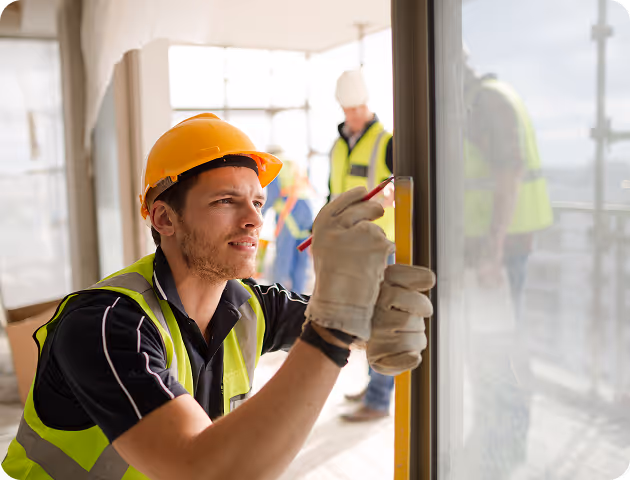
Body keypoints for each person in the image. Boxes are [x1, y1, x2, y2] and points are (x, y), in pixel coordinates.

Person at [1, 113, 435, 480]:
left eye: (258, 202)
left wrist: (376, 316)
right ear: (164, 218)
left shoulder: (250, 305)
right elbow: (201, 468)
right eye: (227, 201)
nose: (253, 220)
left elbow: (343, 322)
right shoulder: (104, 325)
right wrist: (335, 329)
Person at [460, 47, 553, 480]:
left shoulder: (487, 102)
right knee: (490, 347)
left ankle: (502, 446)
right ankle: (493, 437)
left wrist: (493, 252)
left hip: (499, 253)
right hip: (495, 249)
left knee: (497, 349)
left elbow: (508, 174)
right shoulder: (485, 98)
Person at [328, 70, 397, 422]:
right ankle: (373, 387)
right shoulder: (338, 147)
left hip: (381, 246)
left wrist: (393, 196)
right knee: (367, 324)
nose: (353, 115)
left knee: (382, 323)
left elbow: (407, 186)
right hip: (350, 247)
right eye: (348, 109)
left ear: (368, 104)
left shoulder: (387, 142)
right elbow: (332, 197)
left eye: (359, 107)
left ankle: (380, 400)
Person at [261, 147, 313, 293]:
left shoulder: (274, 165)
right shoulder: (294, 163)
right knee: (301, 258)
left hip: (289, 212)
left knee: (284, 257)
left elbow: (270, 196)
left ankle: (277, 295)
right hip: (306, 211)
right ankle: (298, 295)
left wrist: (259, 216)